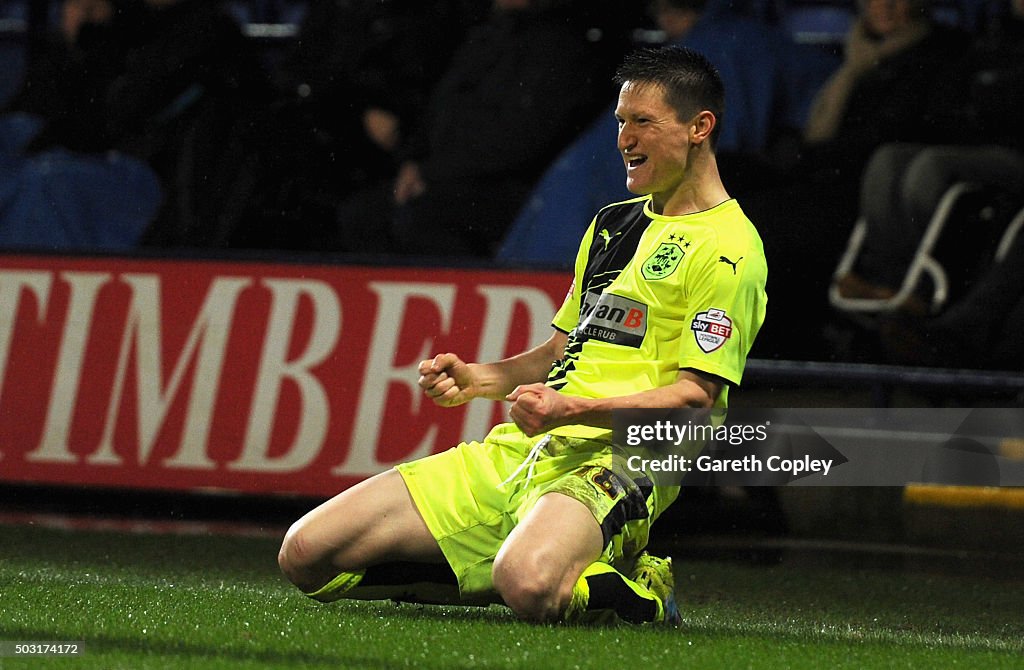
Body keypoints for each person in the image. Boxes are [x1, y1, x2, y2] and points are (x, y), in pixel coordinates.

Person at [278, 46, 768, 625]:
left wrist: (573, 409)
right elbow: (563, 350)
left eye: (643, 122)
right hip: (530, 449)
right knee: (308, 557)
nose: (624, 140)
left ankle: (642, 592)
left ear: (699, 128)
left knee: (531, 585)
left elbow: (695, 401)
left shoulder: (731, 249)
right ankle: (537, 564)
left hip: (624, 457)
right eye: (620, 122)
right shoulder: (613, 224)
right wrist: (479, 378)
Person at [334, 0, 609, 257]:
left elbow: (519, 142)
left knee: (422, 219)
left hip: (517, 190)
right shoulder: (484, 36)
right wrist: (413, 161)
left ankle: (464, 303)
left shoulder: (557, 49)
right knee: (363, 215)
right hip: (449, 178)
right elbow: (440, 110)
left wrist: (431, 172)